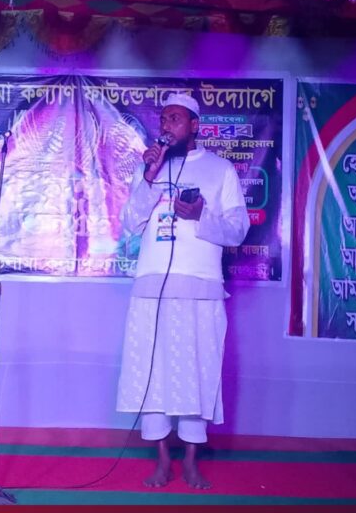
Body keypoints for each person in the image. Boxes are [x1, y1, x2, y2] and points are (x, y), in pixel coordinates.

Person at [116, 93, 249, 490]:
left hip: (200, 290)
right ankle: (161, 459)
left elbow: (238, 231)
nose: (166, 125)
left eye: (175, 118)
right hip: (152, 289)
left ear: (194, 125)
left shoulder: (219, 169)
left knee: (198, 374)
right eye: (163, 119)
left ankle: (191, 460)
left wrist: (201, 215)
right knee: (153, 374)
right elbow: (130, 223)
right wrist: (149, 176)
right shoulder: (150, 169)